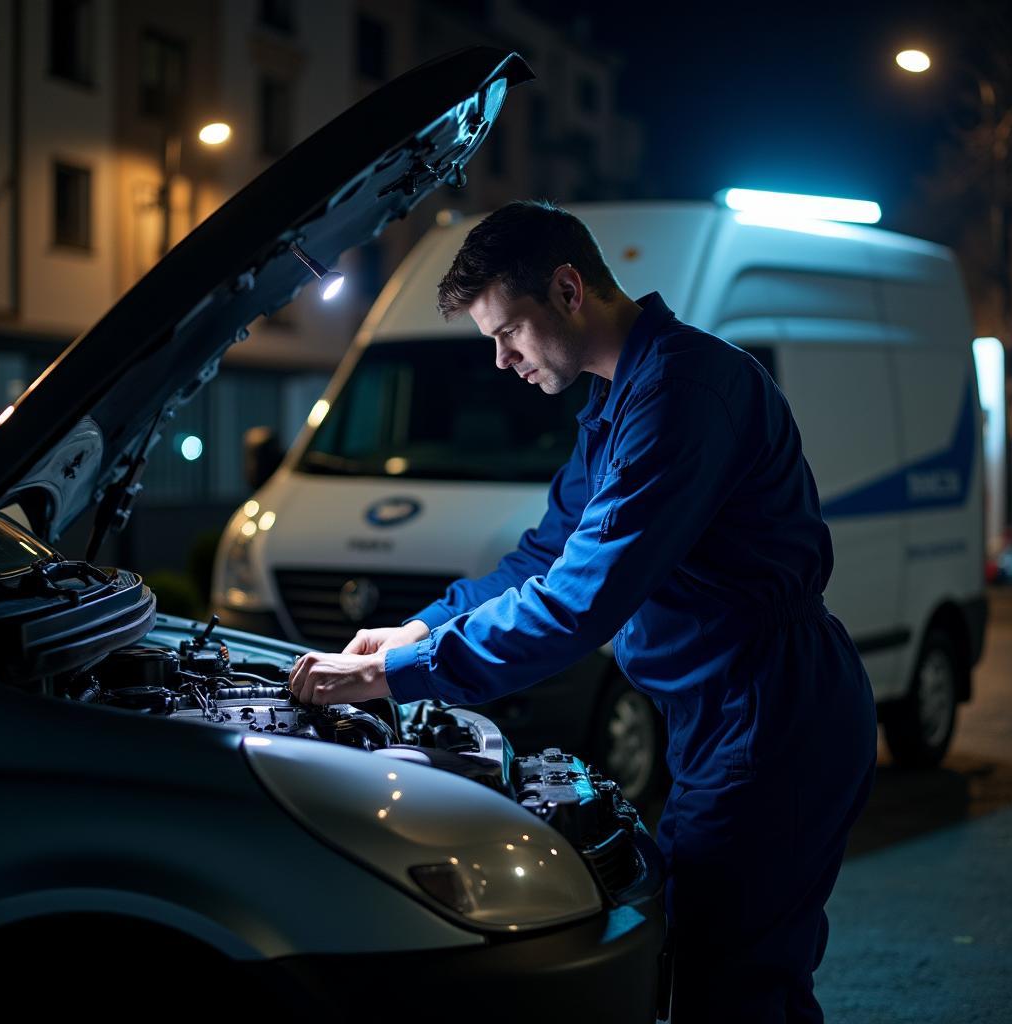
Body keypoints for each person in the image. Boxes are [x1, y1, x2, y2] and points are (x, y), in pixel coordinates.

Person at [288, 200, 878, 1022]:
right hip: (724, 711)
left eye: (508, 333)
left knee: (736, 985)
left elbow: (579, 603)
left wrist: (395, 675)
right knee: (714, 967)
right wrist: (421, 626)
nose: (501, 361)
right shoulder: (616, 403)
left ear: (568, 289)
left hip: (770, 708)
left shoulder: (683, 393)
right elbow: (544, 556)